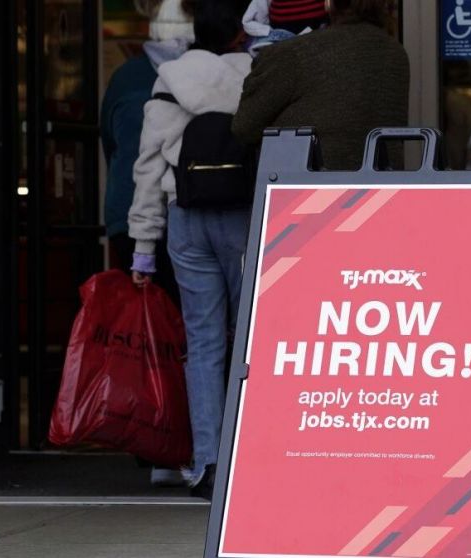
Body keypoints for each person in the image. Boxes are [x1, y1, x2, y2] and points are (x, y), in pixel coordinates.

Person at [128, 0, 253, 500]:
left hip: (186, 216)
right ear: (238, 37)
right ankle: (254, 455)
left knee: (203, 344)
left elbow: (148, 168)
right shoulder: (254, 77)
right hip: (244, 216)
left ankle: (208, 464)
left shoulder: (169, 79)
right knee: (254, 342)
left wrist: (142, 247)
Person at [232, 0, 409, 170]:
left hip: (305, 194)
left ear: (328, 2)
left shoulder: (292, 54)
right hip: (383, 193)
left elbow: (243, 128)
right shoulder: (395, 53)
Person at [100, 0, 193, 305]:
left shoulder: (124, 77)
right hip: (175, 212)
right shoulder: (198, 76)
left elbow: (111, 141)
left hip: (125, 213)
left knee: (143, 320)